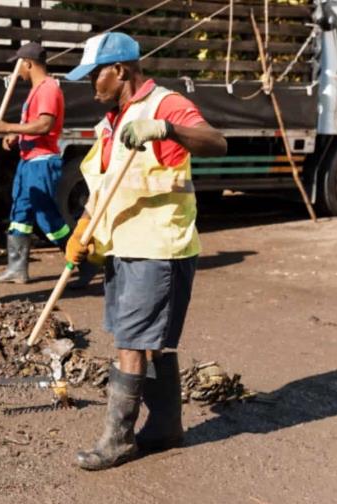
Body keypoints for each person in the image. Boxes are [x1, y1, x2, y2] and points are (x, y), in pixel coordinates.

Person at [63, 33, 226, 471]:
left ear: (120, 70)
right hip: (124, 245)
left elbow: (217, 142)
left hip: (159, 244)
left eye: (95, 75)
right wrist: (82, 231)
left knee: (131, 342)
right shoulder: (111, 121)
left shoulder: (164, 106)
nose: (91, 85)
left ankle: (117, 439)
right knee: (151, 342)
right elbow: (102, 186)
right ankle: (166, 427)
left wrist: (167, 129)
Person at [0, 42, 96, 286]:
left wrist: (9, 126)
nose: (17, 72)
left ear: (27, 63)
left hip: (42, 163)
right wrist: (16, 136)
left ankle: (83, 262)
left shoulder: (48, 89)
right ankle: (17, 269)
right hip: (28, 162)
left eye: (19, 66)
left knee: (48, 219)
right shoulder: (37, 89)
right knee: (19, 214)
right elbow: (35, 125)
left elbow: (45, 124)